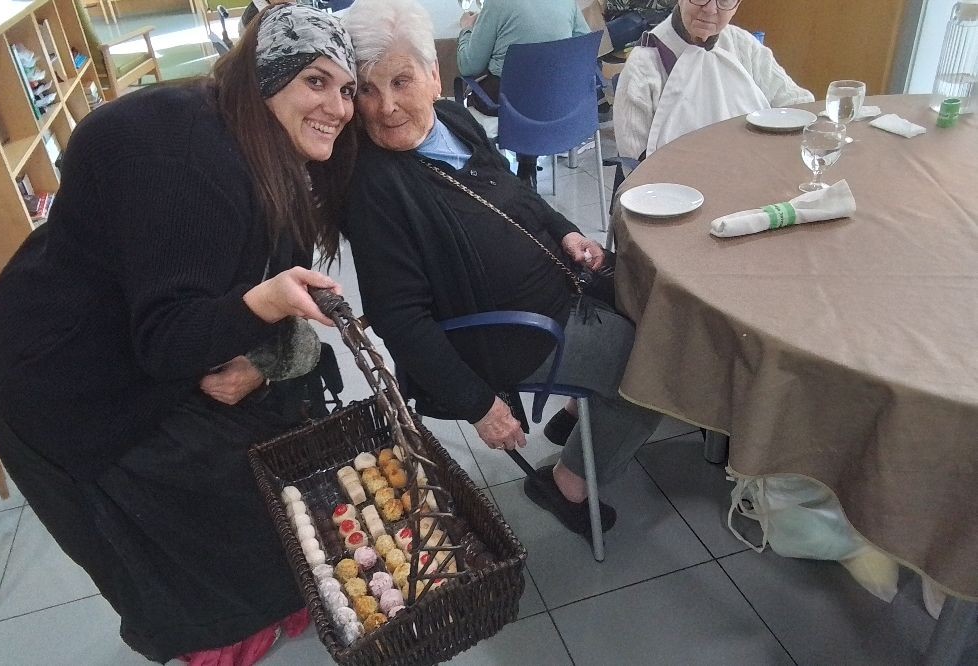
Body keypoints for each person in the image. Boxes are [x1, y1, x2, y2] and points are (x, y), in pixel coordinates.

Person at [0, 6, 357, 664]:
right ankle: (216, 633)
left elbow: (209, 304)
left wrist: (266, 353)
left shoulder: (259, 146)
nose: (338, 107)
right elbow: (169, 342)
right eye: (315, 81)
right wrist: (262, 306)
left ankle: (259, 602)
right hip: (53, 373)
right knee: (169, 523)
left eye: (347, 89)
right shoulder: (194, 163)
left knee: (249, 462)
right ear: (265, 76)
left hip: (127, 340)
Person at [341, 0, 662, 542]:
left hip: (560, 283)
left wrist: (565, 231)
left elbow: (515, 192)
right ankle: (567, 483)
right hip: (505, 335)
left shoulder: (452, 118)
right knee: (649, 368)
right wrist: (479, 405)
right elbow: (399, 319)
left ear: (433, 75)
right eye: (367, 90)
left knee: (651, 299)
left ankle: (579, 412)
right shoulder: (375, 189)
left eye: (401, 81)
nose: (387, 106)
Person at [612, 0, 813, 161]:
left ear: (737, 6)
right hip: (678, 187)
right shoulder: (645, 63)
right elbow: (635, 162)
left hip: (753, 169)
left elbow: (796, 102)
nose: (710, 9)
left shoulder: (742, 44)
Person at [455, 0, 591, 188]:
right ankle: (527, 168)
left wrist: (466, 29)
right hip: (559, 105)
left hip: (508, 107)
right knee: (532, 85)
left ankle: (493, 178)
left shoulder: (496, 5)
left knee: (509, 89)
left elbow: (468, 65)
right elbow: (583, 47)